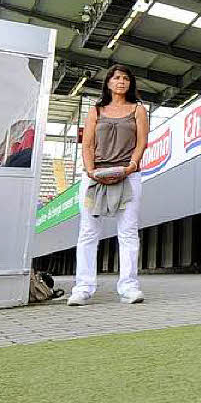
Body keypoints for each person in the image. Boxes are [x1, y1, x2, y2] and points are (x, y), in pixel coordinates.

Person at [67, 65, 149, 306]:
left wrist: (132, 166)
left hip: (128, 175)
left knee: (128, 231)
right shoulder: (96, 110)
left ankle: (129, 287)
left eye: (125, 78)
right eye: (116, 78)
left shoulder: (138, 109)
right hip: (94, 177)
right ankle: (83, 287)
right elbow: (88, 144)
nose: (121, 82)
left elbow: (142, 141)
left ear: (131, 83)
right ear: (108, 83)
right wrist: (91, 171)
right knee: (88, 231)